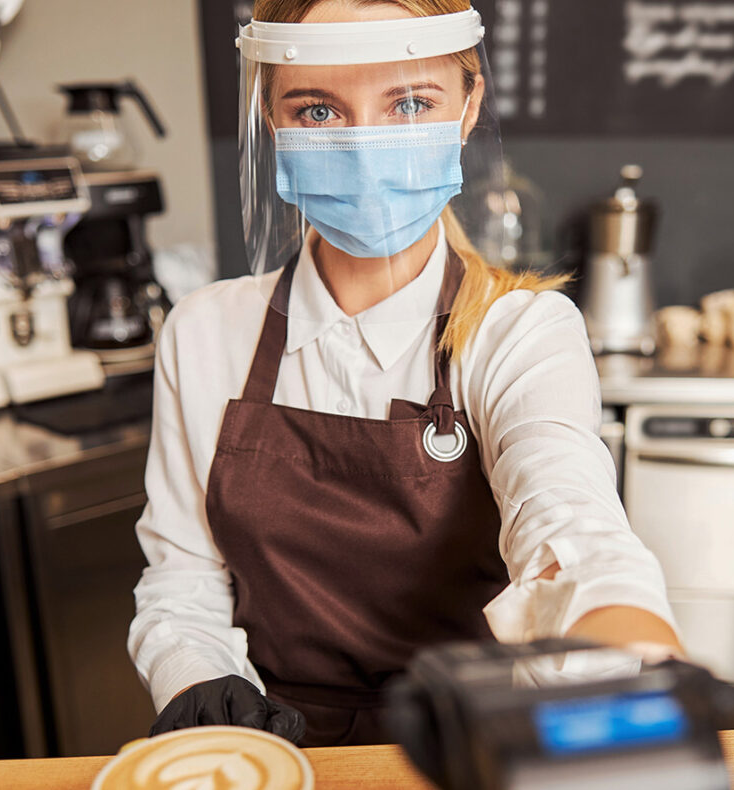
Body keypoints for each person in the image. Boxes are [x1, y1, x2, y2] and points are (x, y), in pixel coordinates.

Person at [128, 0, 681, 748]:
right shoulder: (204, 332)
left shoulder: (519, 333)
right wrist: (196, 677)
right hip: (276, 747)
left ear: (468, 105)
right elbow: (184, 572)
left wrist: (631, 656)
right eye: (319, 110)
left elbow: (567, 523)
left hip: (472, 743)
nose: (364, 147)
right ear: (269, 117)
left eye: (410, 103)